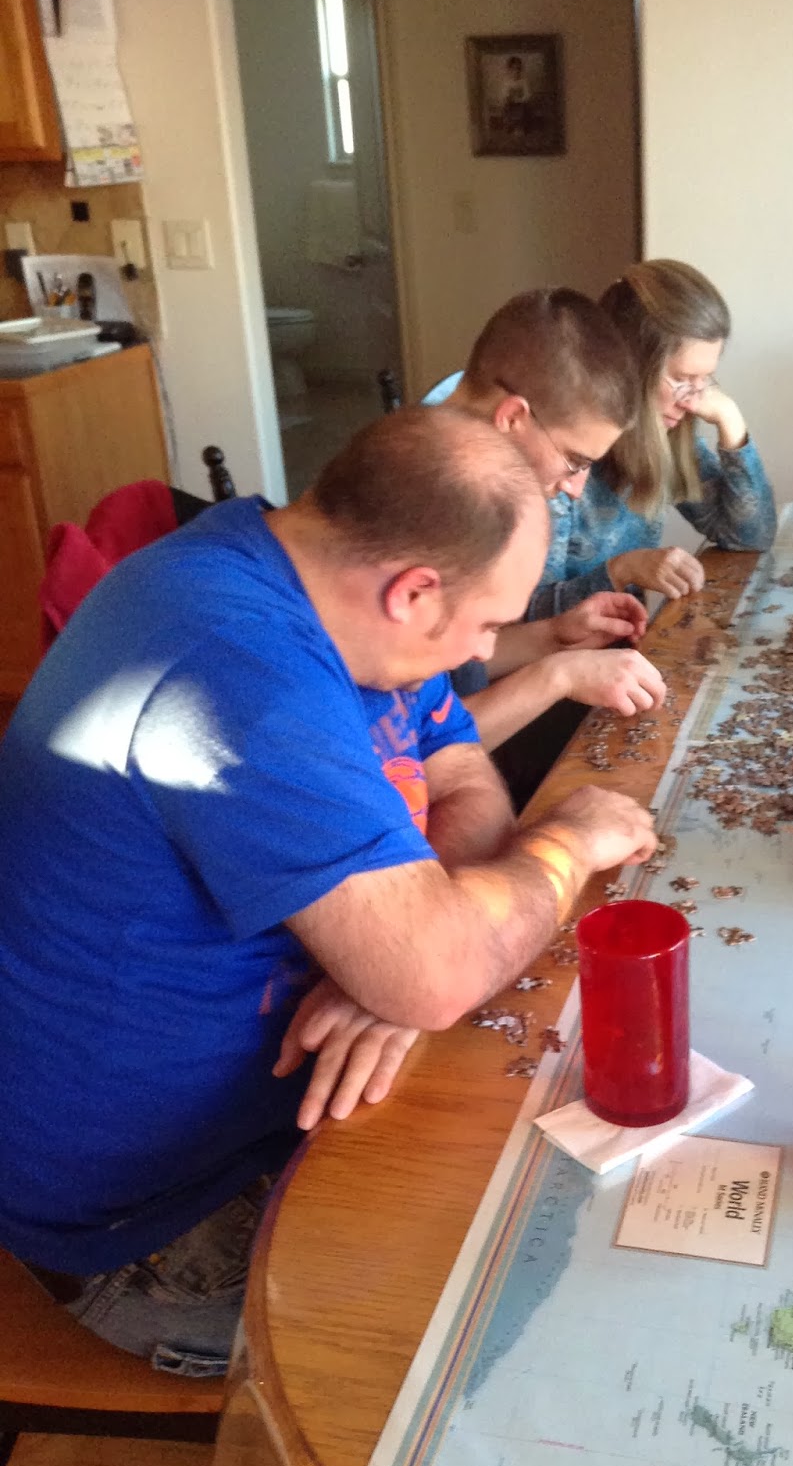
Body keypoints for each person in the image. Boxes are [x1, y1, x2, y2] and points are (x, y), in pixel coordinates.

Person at [0, 406, 656, 1374]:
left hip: (273, 1116)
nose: (481, 651)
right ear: (413, 591)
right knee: (551, 1322)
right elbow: (438, 971)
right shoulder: (236, 670)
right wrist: (564, 842)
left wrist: (401, 952)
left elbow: (461, 773)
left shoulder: (316, 577)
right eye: (486, 624)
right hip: (153, 1229)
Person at [425, 288, 667, 790]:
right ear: (513, 418)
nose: (576, 488)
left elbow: (456, 666)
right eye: (575, 461)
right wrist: (559, 674)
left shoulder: (465, 474)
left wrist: (553, 635)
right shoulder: (418, 509)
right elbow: (416, 758)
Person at [524, 259, 777, 619]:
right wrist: (622, 570)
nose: (691, 401)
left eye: (704, 380)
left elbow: (750, 537)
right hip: (558, 652)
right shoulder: (563, 461)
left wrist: (731, 424)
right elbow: (522, 621)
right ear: (630, 368)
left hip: (627, 644)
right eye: (682, 379)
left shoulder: (667, 437)